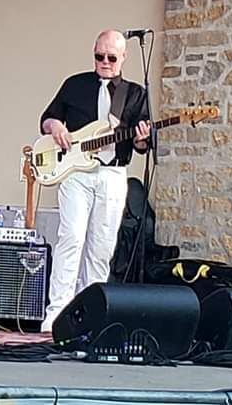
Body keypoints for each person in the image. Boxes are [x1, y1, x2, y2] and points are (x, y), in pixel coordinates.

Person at [39, 29, 151, 331]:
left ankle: (89, 316)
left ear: (123, 58)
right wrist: (56, 126)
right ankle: (56, 314)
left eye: (111, 58)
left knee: (100, 247)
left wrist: (142, 139)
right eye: (99, 56)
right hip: (76, 173)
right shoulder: (75, 84)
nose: (104, 62)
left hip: (112, 174)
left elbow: (141, 146)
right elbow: (46, 119)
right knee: (71, 238)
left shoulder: (136, 94)